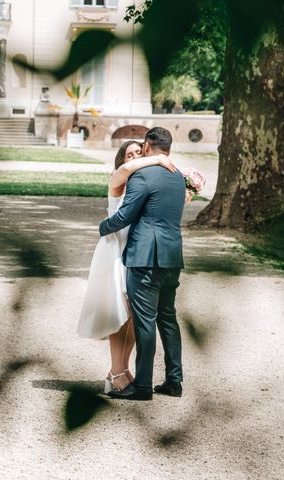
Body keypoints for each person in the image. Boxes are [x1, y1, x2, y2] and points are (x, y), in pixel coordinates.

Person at [78, 140, 177, 393]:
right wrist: (155, 159)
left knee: (134, 316)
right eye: (129, 154)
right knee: (118, 316)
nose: (134, 158)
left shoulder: (143, 181)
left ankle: (120, 369)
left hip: (137, 251)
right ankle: (116, 371)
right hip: (116, 250)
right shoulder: (118, 178)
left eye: (138, 152)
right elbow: (124, 173)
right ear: (121, 160)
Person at [99, 127, 186, 401]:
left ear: (148, 146)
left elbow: (125, 215)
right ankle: (174, 381)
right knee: (168, 318)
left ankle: (143, 386)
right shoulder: (179, 178)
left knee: (145, 322)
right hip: (172, 256)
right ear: (168, 149)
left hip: (145, 256)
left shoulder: (142, 175)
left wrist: (103, 227)